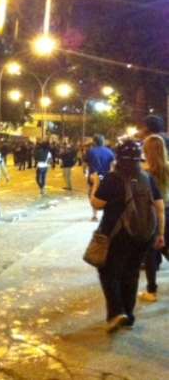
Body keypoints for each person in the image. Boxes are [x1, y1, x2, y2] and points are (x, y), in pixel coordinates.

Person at [90, 139, 164, 332]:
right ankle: (128, 315)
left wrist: (96, 184)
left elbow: (97, 204)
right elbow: (160, 208)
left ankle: (116, 313)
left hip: (116, 235)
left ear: (118, 158)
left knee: (108, 271)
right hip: (143, 236)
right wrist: (160, 233)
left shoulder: (113, 179)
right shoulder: (147, 178)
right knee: (130, 273)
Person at [140, 135, 169, 302]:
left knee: (151, 253)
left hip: (153, 215)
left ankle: (152, 291)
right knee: (165, 248)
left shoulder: (145, 172)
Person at [85, 135, 115, 222]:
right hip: (106, 177)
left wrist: (85, 172)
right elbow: (112, 166)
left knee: (93, 193)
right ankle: (106, 214)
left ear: (94, 142)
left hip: (94, 176)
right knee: (107, 194)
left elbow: (86, 164)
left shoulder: (90, 151)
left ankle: (95, 215)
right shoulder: (110, 152)